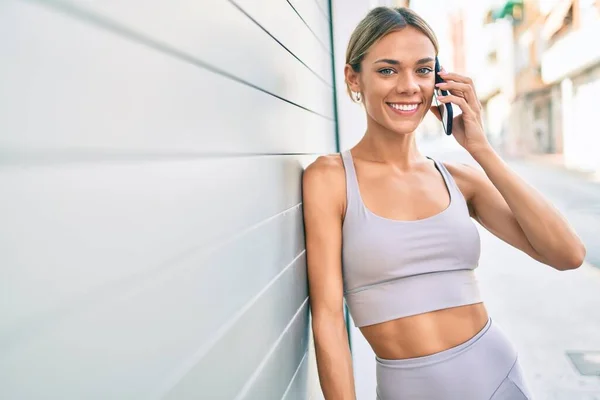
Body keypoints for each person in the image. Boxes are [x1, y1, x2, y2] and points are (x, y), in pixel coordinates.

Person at [301, 6, 586, 400]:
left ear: (440, 80)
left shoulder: (459, 180)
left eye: (423, 69)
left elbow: (567, 253)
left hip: (498, 380)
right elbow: (329, 319)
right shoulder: (330, 179)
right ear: (354, 78)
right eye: (387, 70)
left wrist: (481, 149)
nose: (409, 86)